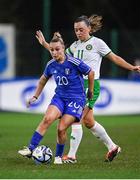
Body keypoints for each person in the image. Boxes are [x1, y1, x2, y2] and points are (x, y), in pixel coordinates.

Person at [35, 15, 140, 163]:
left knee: (76, 119)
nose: (78, 32)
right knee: (88, 121)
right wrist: (44, 43)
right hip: (78, 87)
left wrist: (132, 67)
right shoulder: (74, 46)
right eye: (76, 30)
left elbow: (114, 58)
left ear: (89, 28)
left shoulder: (97, 43)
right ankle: (112, 147)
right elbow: (58, 52)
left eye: (81, 29)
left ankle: (72, 156)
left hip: (92, 85)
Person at [18, 32, 94, 164]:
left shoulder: (74, 62)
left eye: (57, 49)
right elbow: (43, 80)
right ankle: (30, 149)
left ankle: (58, 157)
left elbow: (91, 72)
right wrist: (35, 96)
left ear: (63, 49)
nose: (54, 52)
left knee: (61, 128)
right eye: (52, 50)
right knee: (47, 119)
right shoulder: (51, 64)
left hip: (76, 99)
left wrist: (91, 91)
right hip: (59, 97)